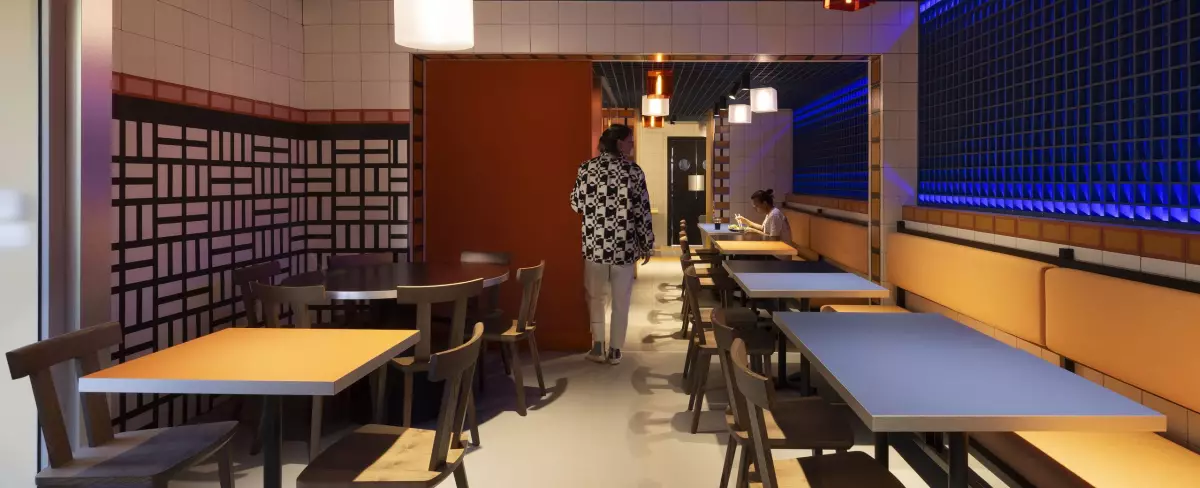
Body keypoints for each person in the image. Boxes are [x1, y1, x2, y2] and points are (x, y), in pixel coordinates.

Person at [570, 124, 654, 365]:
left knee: (595, 297)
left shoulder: (586, 168)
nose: (632, 144)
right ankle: (615, 349)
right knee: (621, 300)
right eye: (630, 140)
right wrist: (646, 243)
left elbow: (576, 204)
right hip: (623, 247)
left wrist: (596, 209)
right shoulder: (633, 171)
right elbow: (642, 211)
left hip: (594, 245)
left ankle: (598, 346)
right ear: (619, 143)